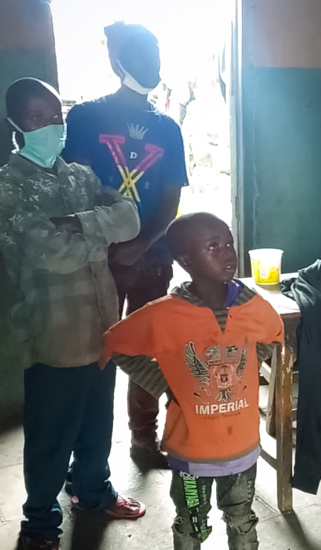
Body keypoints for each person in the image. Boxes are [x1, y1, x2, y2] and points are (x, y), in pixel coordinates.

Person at [0, 78, 145, 550]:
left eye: (55, 116)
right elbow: (51, 253)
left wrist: (76, 223)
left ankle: (91, 491)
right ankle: (40, 522)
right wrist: (100, 236)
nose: (51, 126)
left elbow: (131, 218)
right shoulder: (9, 188)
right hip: (52, 333)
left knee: (97, 419)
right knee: (51, 430)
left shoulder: (80, 176)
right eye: (37, 117)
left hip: (102, 325)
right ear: (16, 124)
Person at [100, 212, 284, 550]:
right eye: (213, 247)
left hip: (241, 451)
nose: (227, 252)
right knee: (191, 521)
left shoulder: (253, 306)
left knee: (242, 519)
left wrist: (249, 364)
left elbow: (273, 337)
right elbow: (116, 343)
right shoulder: (163, 314)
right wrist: (164, 382)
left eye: (228, 243)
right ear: (186, 261)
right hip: (190, 459)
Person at [63, 21, 189, 466]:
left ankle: (143, 440)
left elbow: (170, 198)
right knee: (95, 353)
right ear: (117, 63)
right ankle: (88, 457)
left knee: (147, 351)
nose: (150, 65)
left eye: (156, 57)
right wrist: (110, 244)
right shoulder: (86, 117)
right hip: (98, 259)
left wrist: (141, 244)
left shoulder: (167, 128)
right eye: (139, 57)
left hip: (151, 258)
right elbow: (78, 189)